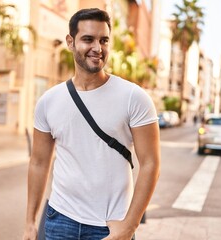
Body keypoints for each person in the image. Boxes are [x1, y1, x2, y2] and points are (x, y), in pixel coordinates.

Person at [23, 8, 160, 240]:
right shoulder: (49, 101)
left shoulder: (133, 97)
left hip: (110, 225)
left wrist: (129, 226)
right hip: (60, 219)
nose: (97, 48)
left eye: (104, 40)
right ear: (71, 41)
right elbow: (38, 162)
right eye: (88, 39)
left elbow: (150, 164)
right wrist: (29, 223)